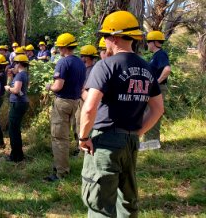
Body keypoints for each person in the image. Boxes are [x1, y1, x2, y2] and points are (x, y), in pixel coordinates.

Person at [79, 11, 164, 217]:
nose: (104, 41)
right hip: (131, 141)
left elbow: (89, 107)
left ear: (115, 37)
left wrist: (83, 137)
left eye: (106, 36)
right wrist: (138, 132)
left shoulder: (106, 65)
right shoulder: (146, 67)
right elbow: (158, 108)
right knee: (127, 201)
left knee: (100, 203)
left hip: (106, 141)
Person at [44, 33, 86, 181]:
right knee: (66, 136)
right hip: (75, 102)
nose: (58, 49)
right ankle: (62, 166)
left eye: (59, 46)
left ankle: (61, 173)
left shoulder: (63, 62)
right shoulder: (81, 62)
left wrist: (49, 86)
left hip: (62, 103)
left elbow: (58, 86)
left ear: (63, 47)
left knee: (59, 137)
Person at [141, 30, 171, 150]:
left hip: (159, 88)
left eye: (148, 42)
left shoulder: (161, 54)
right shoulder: (156, 55)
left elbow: (167, 69)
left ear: (154, 42)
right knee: (150, 113)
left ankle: (152, 143)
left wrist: (156, 82)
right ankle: (150, 143)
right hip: (155, 88)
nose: (147, 44)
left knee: (153, 113)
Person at [4, 54, 30, 162]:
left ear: (18, 64)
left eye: (15, 63)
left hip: (18, 103)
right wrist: (10, 77)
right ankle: (18, 154)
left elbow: (16, 90)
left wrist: (8, 88)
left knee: (13, 129)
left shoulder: (20, 75)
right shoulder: (23, 74)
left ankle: (16, 156)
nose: (13, 65)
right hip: (21, 103)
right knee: (15, 129)